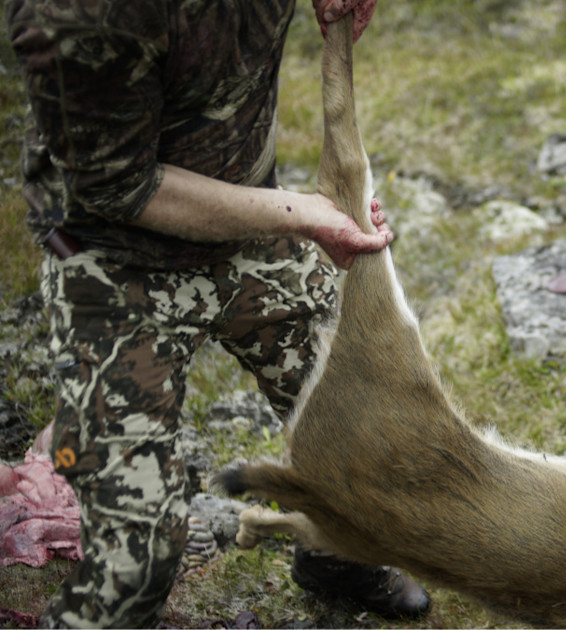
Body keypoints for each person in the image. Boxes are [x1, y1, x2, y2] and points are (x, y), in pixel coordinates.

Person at [5, 0, 432, 627]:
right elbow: (119, 188)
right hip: (113, 261)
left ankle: (336, 558)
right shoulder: (78, 13)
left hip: (251, 218)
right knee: (136, 568)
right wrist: (305, 216)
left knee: (374, 427)